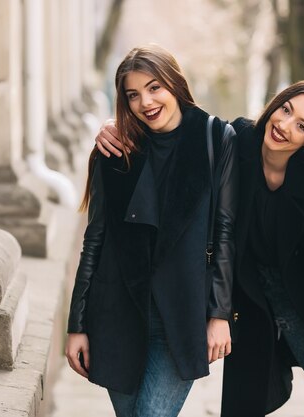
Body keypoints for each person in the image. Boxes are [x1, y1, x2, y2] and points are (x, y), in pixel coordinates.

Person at [95, 80, 304, 417]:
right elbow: (186, 127)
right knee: (250, 396)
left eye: (301, 125)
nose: (283, 125)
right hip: (257, 297)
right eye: (285, 109)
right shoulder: (238, 140)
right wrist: (119, 125)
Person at [65, 45, 238, 417]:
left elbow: (225, 231)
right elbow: (94, 239)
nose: (145, 101)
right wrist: (77, 324)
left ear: (174, 83)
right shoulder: (116, 149)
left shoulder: (214, 138)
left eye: (154, 87)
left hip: (181, 316)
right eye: (133, 94)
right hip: (117, 314)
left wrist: (220, 314)